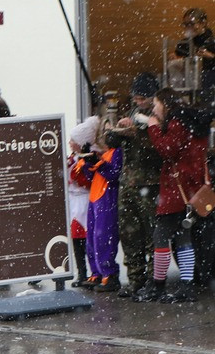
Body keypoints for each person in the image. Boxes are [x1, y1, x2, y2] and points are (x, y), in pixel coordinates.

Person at [135, 89, 209, 303]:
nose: (155, 108)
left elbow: (167, 149)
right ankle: (186, 285)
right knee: (184, 237)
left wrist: (153, 128)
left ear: (165, 104)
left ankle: (158, 285)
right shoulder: (195, 121)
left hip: (177, 190)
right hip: (192, 190)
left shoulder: (177, 122)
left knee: (160, 236)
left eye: (157, 103)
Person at [110, 73, 162, 297]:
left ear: (152, 97)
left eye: (142, 98)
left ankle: (153, 279)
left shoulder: (159, 115)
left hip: (149, 183)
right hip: (128, 182)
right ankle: (135, 279)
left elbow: (159, 148)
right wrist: (117, 131)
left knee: (151, 233)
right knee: (129, 234)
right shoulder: (133, 113)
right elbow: (111, 142)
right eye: (136, 97)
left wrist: (137, 134)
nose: (138, 101)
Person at [72, 118, 123, 293]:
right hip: (95, 198)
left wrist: (97, 163)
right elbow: (91, 176)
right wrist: (88, 163)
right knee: (92, 238)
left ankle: (109, 274)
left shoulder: (116, 153)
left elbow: (113, 174)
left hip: (106, 198)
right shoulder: (105, 153)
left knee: (104, 238)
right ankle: (97, 272)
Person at [66, 118, 98, 288]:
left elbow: (86, 180)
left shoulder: (88, 158)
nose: (70, 143)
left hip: (84, 200)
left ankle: (93, 272)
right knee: (76, 239)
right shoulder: (74, 158)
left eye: (73, 140)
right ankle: (82, 272)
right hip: (74, 202)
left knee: (86, 238)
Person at [170, 8, 215, 105]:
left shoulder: (212, 42)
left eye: (191, 23)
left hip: (208, 89)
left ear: (203, 23)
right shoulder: (184, 43)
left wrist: (211, 56)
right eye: (185, 24)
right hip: (186, 88)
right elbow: (177, 64)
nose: (188, 27)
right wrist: (175, 59)